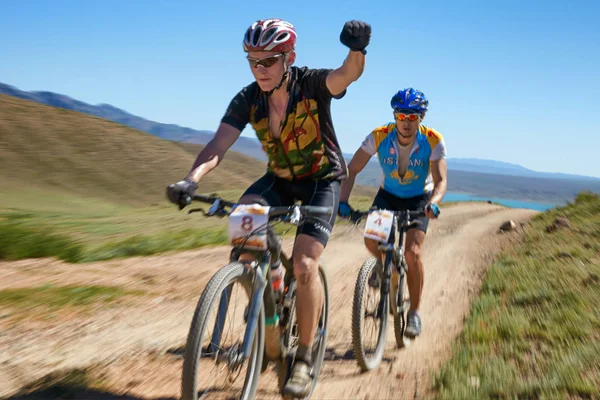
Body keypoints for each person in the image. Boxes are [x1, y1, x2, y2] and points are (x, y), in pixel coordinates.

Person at [166, 18, 371, 398]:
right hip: (278, 178)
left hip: (322, 181)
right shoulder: (248, 98)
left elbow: (347, 75)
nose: (259, 70)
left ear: (289, 57)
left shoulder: (310, 83)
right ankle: (266, 311)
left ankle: (306, 357)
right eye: (252, 61)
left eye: (268, 61)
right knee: (243, 232)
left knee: (305, 265)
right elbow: (218, 145)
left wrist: (357, 47)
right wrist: (191, 180)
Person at [338, 87, 447, 339]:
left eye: (412, 117)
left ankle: (415, 314)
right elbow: (352, 169)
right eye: (401, 116)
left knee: (412, 253)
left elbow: (441, 181)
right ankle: (388, 268)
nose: (406, 122)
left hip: (419, 199)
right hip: (388, 196)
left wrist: (434, 203)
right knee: (371, 239)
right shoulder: (379, 136)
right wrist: (343, 200)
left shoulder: (432, 139)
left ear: (421, 118)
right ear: (394, 115)